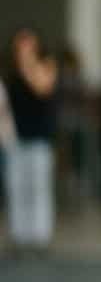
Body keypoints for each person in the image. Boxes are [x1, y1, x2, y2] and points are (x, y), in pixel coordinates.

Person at [2, 29, 59, 252]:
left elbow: (42, 88)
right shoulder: (9, 72)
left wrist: (28, 65)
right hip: (15, 138)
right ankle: (19, 234)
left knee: (38, 188)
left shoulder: (46, 66)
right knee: (17, 188)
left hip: (39, 138)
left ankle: (40, 235)